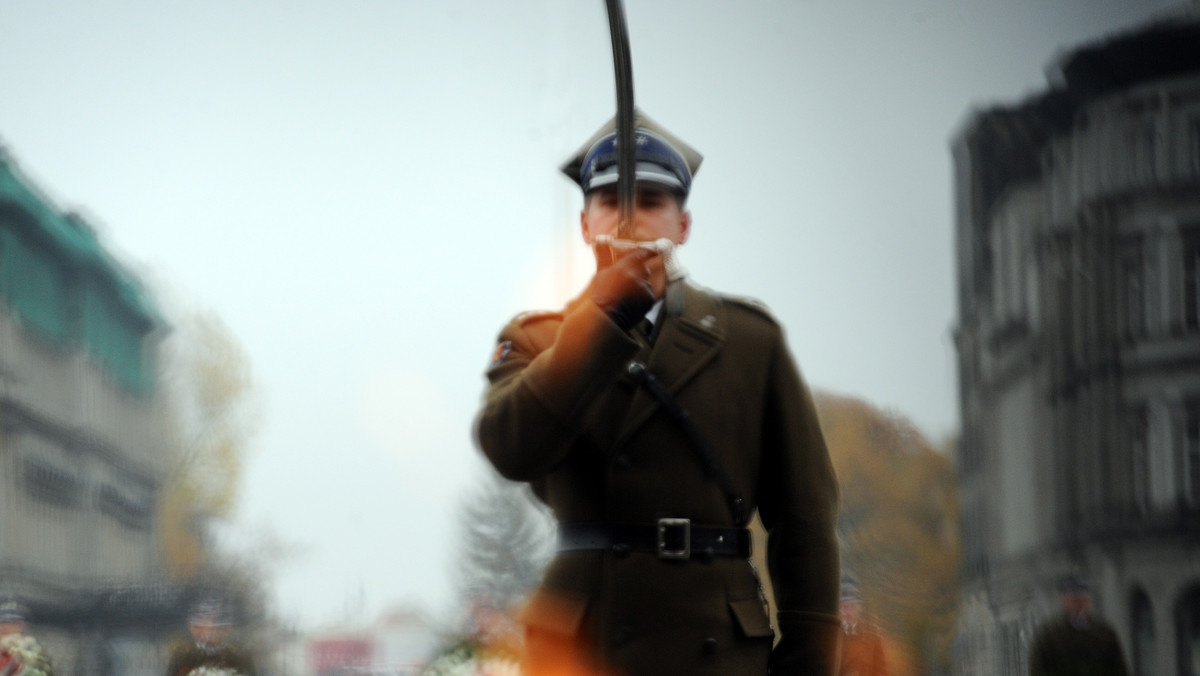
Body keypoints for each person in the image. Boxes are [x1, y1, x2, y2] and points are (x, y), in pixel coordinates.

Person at [474, 110, 841, 675]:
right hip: (583, 647)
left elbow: (806, 520)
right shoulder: (537, 340)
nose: (629, 219)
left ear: (684, 225)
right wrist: (605, 319)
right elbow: (510, 449)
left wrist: (808, 662)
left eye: (649, 201)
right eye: (610, 203)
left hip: (716, 646)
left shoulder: (749, 340)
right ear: (584, 224)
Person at [1027, 576, 1130, 676]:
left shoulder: (1104, 633)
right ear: (1065, 601)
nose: (1079, 604)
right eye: (1074, 600)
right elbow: (1039, 668)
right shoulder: (1050, 635)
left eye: (1083, 599)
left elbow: (1118, 667)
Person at [166, 599, 257, 676]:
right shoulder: (182, 655)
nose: (208, 633)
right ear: (191, 628)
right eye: (200, 627)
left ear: (229, 629)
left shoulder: (240, 655)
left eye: (216, 627)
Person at [837, 583, 889, 676]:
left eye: (852, 607)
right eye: (844, 607)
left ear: (859, 608)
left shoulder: (872, 636)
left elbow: (881, 671)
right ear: (839, 609)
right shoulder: (831, 636)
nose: (848, 612)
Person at [0, 601, 55, 676]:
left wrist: (24, 655)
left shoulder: (32, 652)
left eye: (16, 625)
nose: (11, 630)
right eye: (5, 626)